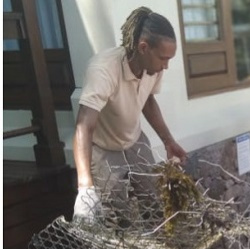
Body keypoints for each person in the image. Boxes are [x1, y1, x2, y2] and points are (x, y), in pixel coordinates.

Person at [72, 7, 187, 224]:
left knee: (154, 202)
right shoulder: (103, 69)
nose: (166, 65)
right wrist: (85, 187)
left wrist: (168, 140)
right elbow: (83, 126)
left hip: (134, 140)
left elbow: (148, 101)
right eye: (163, 58)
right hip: (104, 148)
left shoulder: (154, 68)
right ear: (143, 47)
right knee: (117, 215)